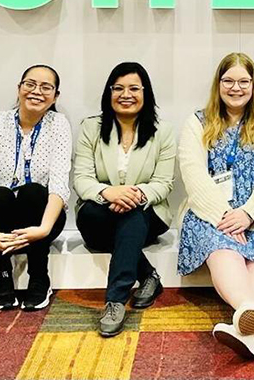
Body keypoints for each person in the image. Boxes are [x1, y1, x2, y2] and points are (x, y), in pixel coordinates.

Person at [177, 52, 254, 360]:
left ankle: (246, 327)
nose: (236, 87)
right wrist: (225, 216)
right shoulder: (196, 122)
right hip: (210, 213)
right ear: (218, 84)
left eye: (243, 81)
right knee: (223, 249)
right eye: (228, 81)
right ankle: (248, 314)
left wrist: (249, 214)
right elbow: (193, 174)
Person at [73, 62, 176, 337]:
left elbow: (164, 183)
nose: (125, 94)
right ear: (109, 92)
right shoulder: (91, 128)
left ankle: (115, 301)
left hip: (147, 214)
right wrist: (108, 193)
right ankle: (148, 276)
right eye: (118, 88)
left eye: (133, 88)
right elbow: (82, 179)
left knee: (132, 215)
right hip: (100, 214)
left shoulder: (163, 131)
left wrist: (135, 194)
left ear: (146, 93)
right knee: (97, 215)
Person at [0, 64, 72, 312]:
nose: (36, 91)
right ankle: (1, 275)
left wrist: (43, 229)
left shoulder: (59, 126)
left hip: (42, 218)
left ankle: (38, 276)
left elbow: (58, 183)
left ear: (55, 96)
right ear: (19, 88)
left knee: (33, 191)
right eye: (30, 84)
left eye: (46, 87)